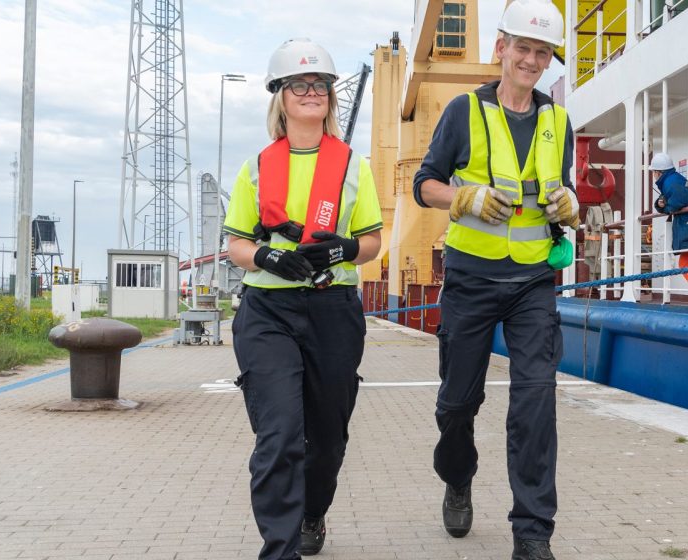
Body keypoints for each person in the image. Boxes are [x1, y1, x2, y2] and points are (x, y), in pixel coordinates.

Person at [409, 2, 574, 559]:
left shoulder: (557, 121)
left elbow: (561, 192)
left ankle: (532, 535)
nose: (531, 59)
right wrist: (464, 196)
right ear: (501, 49)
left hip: (533, 283)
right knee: (457, 404)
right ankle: (458, 475)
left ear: (549, 61)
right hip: (472, 279)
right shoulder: (463, 112)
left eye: (542, 52)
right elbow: (423, 184)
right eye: (522, 48)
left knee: (535, 404)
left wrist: (569, 202)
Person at [222, 38, 383, 560]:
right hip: (268, 313)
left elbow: (374, 243)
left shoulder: (355, 168)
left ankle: (313, 512)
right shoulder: (255, 169)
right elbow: (237, 245)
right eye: (299, 85)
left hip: (333, 312)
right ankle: (280, 547)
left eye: (320, 85)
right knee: (280, 436)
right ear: (281, 97)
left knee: (328, 440)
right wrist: (268, 259)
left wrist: (345, 249)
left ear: (331, 99)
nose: (310, 92)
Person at [651, 153, 688, 288]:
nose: (653, 175)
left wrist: (664, 206)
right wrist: (660, 204)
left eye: (653, 172)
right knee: (686, 264)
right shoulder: (672, 181)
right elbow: (666, 201)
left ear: (658, 172)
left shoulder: (671, 183)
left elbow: (675, 203)